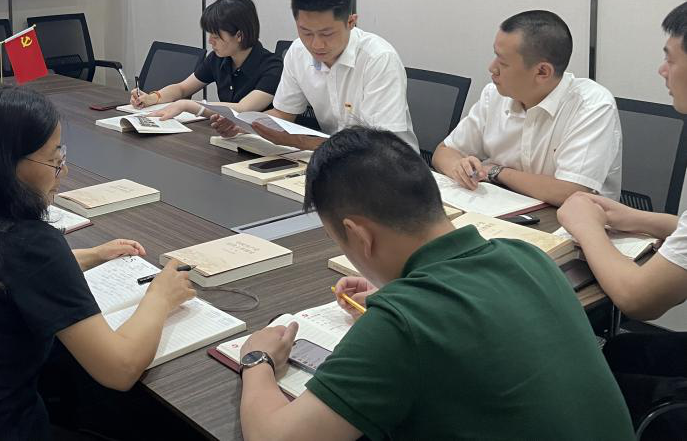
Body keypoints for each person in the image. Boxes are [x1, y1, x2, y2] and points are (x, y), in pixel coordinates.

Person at [237, 126, 633, 441]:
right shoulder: (526, 256)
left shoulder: (402, 323)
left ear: (359, 235)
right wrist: (397, 299)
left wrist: (257, 359)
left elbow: (275, 436)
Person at [0, 84, 195, 441]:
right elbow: (120, 368)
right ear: (6, 165)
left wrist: (91, 255)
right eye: (53, 160)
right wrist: (161, 297)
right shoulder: (29, 242)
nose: (63, 171)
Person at [558, 1, 687, 438]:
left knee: (571, 381)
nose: (662, 71)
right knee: (613, 352)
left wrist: (588, 227)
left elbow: (639, 299)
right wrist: (642, 220)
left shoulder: (590, 102)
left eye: (670, 58)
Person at [433, 10, 622, 205]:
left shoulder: (591, 105)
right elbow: (444, 152)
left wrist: (496, 172)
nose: (492, 68)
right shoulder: (494, 95)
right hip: (501, 208)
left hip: (565, 219)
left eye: (503, 62)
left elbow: (570, 193)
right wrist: (460, 167)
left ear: (542, 72)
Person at [212, 0, 417, 153]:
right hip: (335, 160)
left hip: (390, 166)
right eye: (306, 33)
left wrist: (299, 141)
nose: (316, 44)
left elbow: (381, 144)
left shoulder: (378, 59)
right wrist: (244, 125)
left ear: (350, 22)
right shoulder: (297, 52)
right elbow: (283, 113)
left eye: (327, 33)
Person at [131, 0, 283, 118]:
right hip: (228, 135)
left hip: (261, 139)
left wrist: (187, 105)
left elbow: (243, 109)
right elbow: (182, 88)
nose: (210, 41)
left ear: (239, 35)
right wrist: (153, 98)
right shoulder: (218, 59)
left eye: (216, 36)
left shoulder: (272, 67)